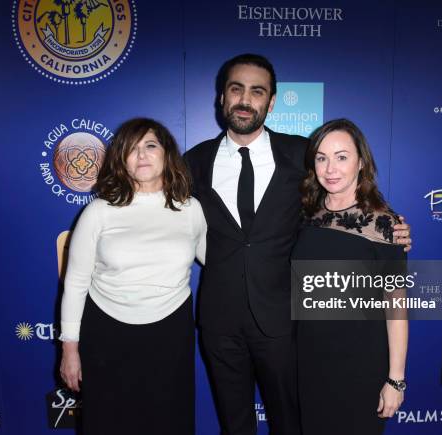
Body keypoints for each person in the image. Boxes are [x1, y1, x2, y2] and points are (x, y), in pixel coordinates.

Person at [184, 54, 412, 434]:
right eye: (236, 89)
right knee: (233, 423)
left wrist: (392, 228)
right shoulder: (193, 162)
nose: (245, 99)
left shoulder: (301, 155)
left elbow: (346, 194)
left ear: (271, 102)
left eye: (257, 91)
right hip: (219, 322)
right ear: (222, 97)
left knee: (291, 423)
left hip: (284, 322)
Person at [58, 118, 206, 435]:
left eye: (150, 145)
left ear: (167, 154)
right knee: (109, 422)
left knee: (169, 421)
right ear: (120, 159)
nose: (142, 155)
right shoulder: (99, 211)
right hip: (106, 332)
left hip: (170, 333)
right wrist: (70, 350)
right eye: (132, 149)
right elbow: (75, 283)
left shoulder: (191, 209)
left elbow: (221, 262)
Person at [292, 118, 408, 435]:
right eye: (321, 157)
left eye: (342, 156)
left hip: (360, 363)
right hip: (311, 359)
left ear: (360, 162)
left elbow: (396, 307)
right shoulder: (308, 213)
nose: (331, 168)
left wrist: (395, 379)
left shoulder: (384, 223)